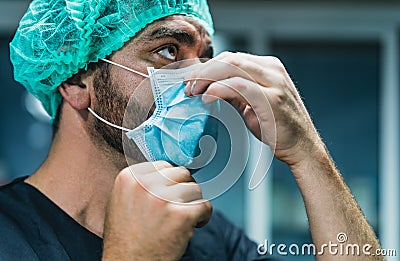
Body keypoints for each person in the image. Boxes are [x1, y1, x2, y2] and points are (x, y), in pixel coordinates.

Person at [0, 0, 383, 260]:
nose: (198, 81)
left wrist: (308, 153)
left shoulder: (210, 237)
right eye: (168, 51)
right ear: (75, 81)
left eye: (205, 59)